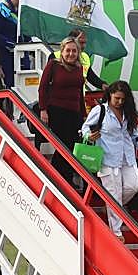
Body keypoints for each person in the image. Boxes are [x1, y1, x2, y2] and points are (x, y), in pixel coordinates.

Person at [80, 80, 138, 238]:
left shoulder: (127, 112)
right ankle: (116, 231)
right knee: (114, 194)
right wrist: (89, 135)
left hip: (127, 156)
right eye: (117, 99)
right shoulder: (100, 110)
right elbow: (85, 127)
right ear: (109, 96)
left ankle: (116, 206)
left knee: (134, 186)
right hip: (107, 157)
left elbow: (132, 133)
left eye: (123, 99)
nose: (120, 102)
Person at [38, 37, 85, 182]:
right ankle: (57, 178)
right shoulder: (53, 65)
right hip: (57, 111)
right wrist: (43, 109)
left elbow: (79, 92)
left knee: (73, 148)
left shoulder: (79, 68)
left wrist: (84, 115)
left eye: (74, 51)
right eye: (68, 50)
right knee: (63, 147)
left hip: (75, 112)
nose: (71, 54)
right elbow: (43, 87)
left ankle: (66, 178)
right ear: (62, 51)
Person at [0, 0, 21, 87]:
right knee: (10, 83)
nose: (20, 0)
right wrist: (9, 43)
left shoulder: (21, 12)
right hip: (5, 54)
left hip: (21, 54)